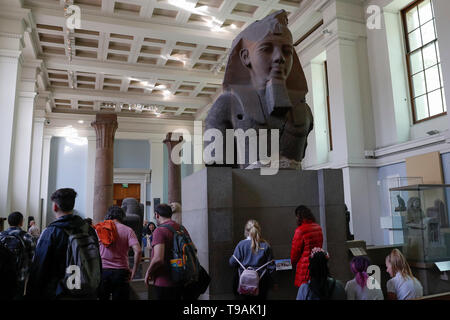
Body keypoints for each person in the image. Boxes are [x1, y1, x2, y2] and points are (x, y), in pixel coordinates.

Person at [26, 188, 101, 300]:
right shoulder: (89, 230)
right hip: (87, 291)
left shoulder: (50, 232)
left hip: (59, 292)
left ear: (55, 207)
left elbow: (39, 267)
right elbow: (96, 260)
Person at [144, 203, 193, 300]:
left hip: (164, 281)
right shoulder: (181, 228)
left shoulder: (159, 231)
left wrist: (148, 272)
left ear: (157, 215)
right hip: (182, 279)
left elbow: (158, 259)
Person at [97, 206, 141, 300]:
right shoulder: (128, 230)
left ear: (108, 215)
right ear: (122, 216)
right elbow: (138, 250)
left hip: (103, 271)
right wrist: (134, 270)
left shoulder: (100, 229)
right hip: (121, 272)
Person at [229, 220, 275, 300]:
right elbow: (271, 268)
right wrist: (274, 283)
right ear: (259, 230)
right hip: (261, 284)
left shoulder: (241, 245)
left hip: (243, 283)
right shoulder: (266, 246)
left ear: (246, 231)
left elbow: (232, 263)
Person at [0, 212, 35, 299]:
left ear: (8, 222)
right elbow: (34, 257)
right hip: (20, 276)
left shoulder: (1, 235)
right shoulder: (27, 236)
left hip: (2, 274)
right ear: (21, 222)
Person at [291, 205, 323, 288]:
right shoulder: (318, 227)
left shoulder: (300, 230)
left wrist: (292, 263)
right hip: (318, 265)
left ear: (299, 216)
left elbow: (295, 252)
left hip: (305, 269)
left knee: (305, 292)